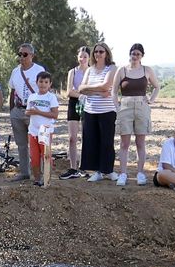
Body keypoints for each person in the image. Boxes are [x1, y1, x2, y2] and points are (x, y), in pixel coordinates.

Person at [113, 42, 158, 186]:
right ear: (130, 54)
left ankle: (140, 173)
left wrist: (150, 99)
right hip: (125, 106)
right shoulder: (122, 70)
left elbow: (157, 87)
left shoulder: (147, 70)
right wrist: (117, 106)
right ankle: (123, 174)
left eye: (138, 54)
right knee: (124, 143)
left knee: (140, 142)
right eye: (133, 53)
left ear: (142, 56)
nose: (135, 56)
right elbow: (113, 91)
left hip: (141, 106)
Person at [76, 43, 118, 181]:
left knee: (106, 141)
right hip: (90, 110)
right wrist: (98, 91)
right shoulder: (89, 70)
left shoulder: (112, 68)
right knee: (91, 141)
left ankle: (108, 170)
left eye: (101, 51)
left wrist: (90, 89)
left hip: (107, 111)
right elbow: (81, 88)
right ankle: (97, 172)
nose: (98, 54)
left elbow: (106, 86)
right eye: (96, 52)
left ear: (106, 53)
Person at [7, 43, 47, 182]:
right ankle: (24, 172)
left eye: (25, 54)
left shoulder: (39, 70)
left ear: (32, 55)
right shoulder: (15, 72)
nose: (21, 57)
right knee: (21, 144)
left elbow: (44, 90)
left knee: (37, 142)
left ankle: (40, 174)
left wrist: (42, 111)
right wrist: (11, 110)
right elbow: (12, 91)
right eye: (20, 54)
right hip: (18, 110)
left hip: (34, 111)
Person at [25, 71, 59, 188]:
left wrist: (38, 111)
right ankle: (37, 179)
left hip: (45, 130)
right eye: (41, 81)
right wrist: (31, 111)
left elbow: (55, 114)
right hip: (33, 130)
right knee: (34, 157)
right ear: (37, 82)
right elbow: (27, 111)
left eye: (46, 82)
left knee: (46, 156)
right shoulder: (32, 97)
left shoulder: (51, 97)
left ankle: (47, 179)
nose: (43, 84)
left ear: (50, 84)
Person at [61, 46, 90, 179]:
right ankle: (73, 167)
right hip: (74, 103)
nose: (82, 59)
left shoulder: (92, 71)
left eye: (85, 56)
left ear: (89, 57)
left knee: (87, 136)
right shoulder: (72, 72)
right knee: (72, 137)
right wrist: (80, 95)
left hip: (89, 104)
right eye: (80, 56)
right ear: (77, 57)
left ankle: (85, 166)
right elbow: (68, 91)